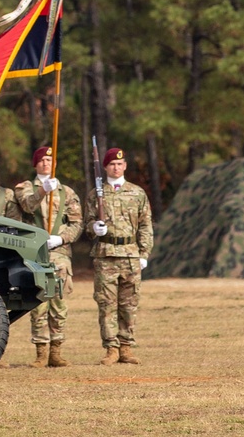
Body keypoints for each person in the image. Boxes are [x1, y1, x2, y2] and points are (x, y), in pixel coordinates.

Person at [84, 147, 154, 365]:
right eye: (112, 164)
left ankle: (126, 347)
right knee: (106, 304)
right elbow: (85, 224)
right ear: (105, 167)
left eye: (120, 164)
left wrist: (144, 253)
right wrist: (94, 227)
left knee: (129, 304)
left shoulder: (137, 193)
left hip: (130, 255)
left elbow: (145, 225)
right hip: (105, 255)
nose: (116, 167)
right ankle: (111, 348)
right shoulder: (96, 193)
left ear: (125, 166)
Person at [14, 146, 83, 367]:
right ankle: (41, 351)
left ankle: (56, 350)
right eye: (42, 160)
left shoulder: (67, 192)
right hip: (35, 252)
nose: (46, 163)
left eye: (50, 160)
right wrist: (42, 190)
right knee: (38, 302)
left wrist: (62, 239)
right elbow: (27, 205)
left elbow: (76, 223)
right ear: (35, 164)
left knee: (59, 303)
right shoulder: (25, 187)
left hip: (59, 253)